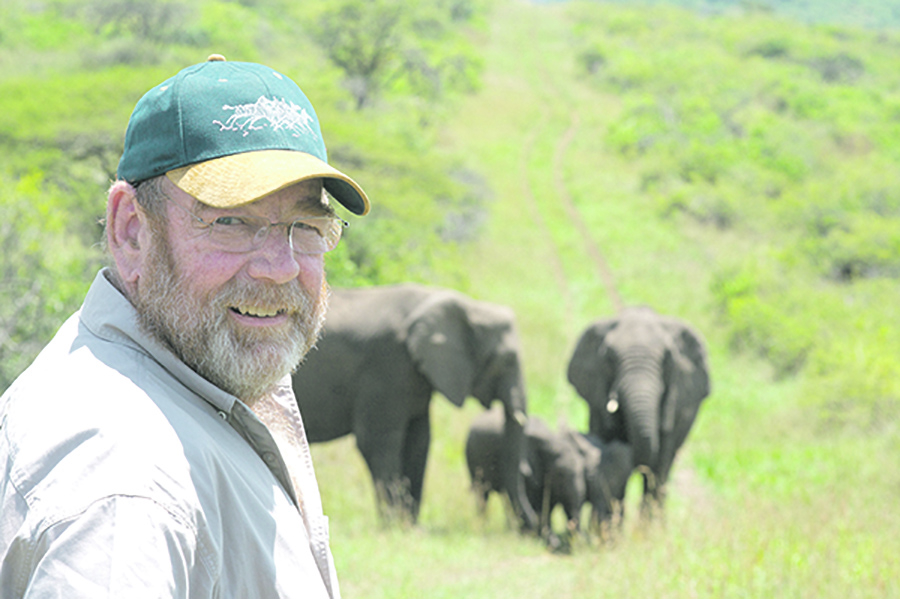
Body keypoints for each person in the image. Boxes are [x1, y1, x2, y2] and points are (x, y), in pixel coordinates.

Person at [0, 55, 369, 598]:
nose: (282, 266)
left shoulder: (179, 389)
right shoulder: (126, 488)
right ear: (131, 231)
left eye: (306, 225)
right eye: (230, 221)